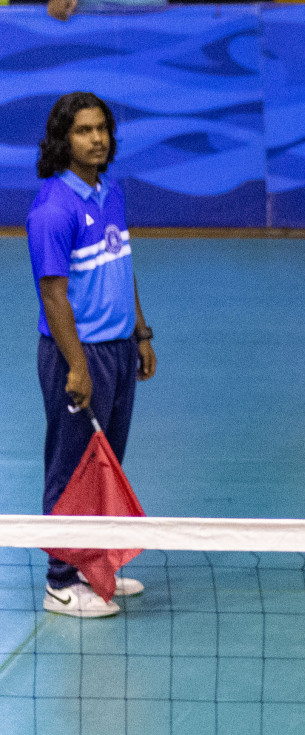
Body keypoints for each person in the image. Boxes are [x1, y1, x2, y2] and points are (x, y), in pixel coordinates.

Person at [28, 92, 156, 619]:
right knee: (70, 467)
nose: (97, 138)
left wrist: (142, 333)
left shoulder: (112, 191)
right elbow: (53, 295)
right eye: (83, 130)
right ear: (64, 139)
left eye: (102, 128)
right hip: (77, 357)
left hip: (119, 350)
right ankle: (61, 581)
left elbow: (121, 264)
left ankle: (93, 562)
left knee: (104, 462)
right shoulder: (53, 208)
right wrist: (77, 366)